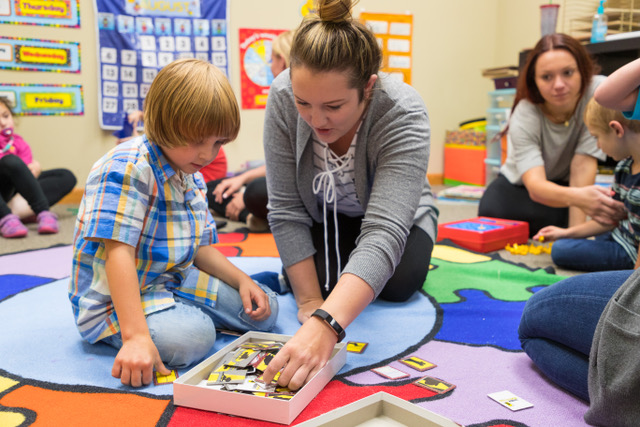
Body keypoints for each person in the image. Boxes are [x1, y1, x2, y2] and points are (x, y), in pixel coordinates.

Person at [260, 0, 438, 390]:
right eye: (303, 102)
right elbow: (287, 210)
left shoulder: (402, 110)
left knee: (396, 283)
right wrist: (309, 305)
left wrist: (328, 324)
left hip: (393, 216)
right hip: (325, 213)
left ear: (368, 88)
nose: (316, 119)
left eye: (334, 106)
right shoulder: (281, 94)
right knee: (321, 286)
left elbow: (384, 231)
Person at [69, 59, 278, 388]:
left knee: (267, 309)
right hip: (117, 297)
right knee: (194, 337)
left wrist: (240, 280)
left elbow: (200, 250)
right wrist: (136, 337)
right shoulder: (126, 166)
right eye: (197, 140)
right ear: (165, 122)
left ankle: (180, 309)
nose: (208, 154)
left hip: (172, 279)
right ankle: (151, 325)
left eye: (219, 143)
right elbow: (118, 255)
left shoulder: (189, 172)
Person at [520, 57, 640, 425]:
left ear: (618, 130)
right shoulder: (623, 169)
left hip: (626, 259)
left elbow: (606, 93)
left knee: (532, 326)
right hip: (620, 246)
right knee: (561, 249)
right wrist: (568, 231)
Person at [478, 33, 626, 237]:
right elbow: (536, 185)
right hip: (526, 184)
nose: (558, 85)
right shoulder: (526, 111)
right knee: (491, 209)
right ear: (534, 81)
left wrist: (575, 235)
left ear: (582, 71)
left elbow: (582, 165)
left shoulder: (597, 92)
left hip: (567, 185)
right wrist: (579, 200)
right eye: (547, 77)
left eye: (567, 73)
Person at [534, 98, 640, 271]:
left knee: (561, 250)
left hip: (628, 252)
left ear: (616, 130)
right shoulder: (624, 167)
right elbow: (612, 220)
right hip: (617, 235)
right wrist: (564, 232)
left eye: (597, 137)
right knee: (568, 241)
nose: (597, 145)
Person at [209, 30, 294, 231]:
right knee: (214, 189)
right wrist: (241, 179)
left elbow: (288, 165)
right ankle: (253, 216)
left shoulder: (293, 97)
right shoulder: (279, 96)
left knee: (254, 192)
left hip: (293, 182)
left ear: (282, 61)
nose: (270, 66)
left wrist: (245, 191)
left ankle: (250, 212)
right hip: (277, 173)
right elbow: (277, 159)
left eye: (271, 60)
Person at [0, 97, 75, 238]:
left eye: (6, 116)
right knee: (9, 160)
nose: (3, 123)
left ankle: (39, 212)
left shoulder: (19, 143)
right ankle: (6, 216)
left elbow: (24, 175)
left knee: (66, 176)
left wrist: (34, 169)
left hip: (18, 193)